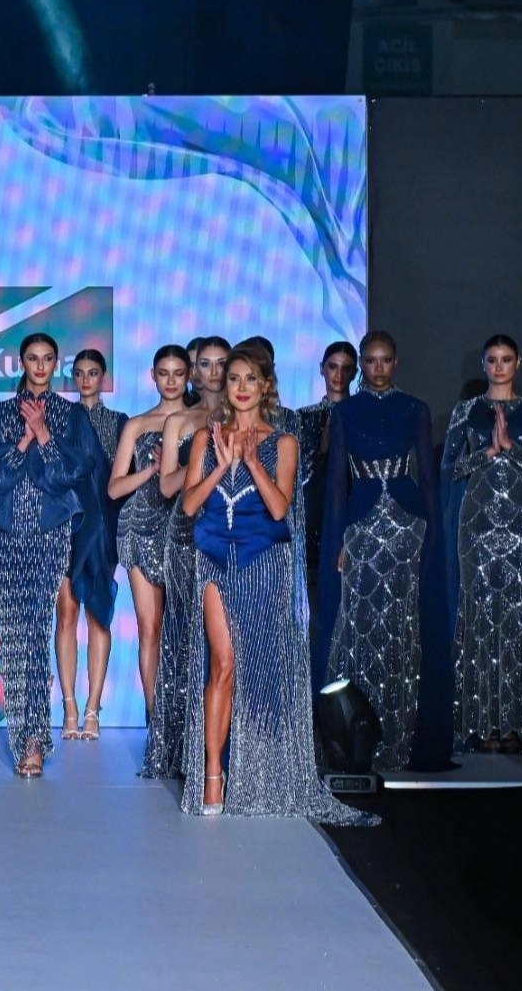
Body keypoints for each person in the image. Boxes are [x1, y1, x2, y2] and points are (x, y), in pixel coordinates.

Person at [177, 344, 374, 824]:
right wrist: (222, 464)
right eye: (234, 379)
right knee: (222, 662)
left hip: (263, 563)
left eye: (250, 379)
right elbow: (188, 506)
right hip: (213, 560)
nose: (241, 388)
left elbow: (280, 507)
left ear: (266, 385)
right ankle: (213, 774)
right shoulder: (206, 438)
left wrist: (251, 461)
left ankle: (260, 771)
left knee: (259, 670)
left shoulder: (284, 442)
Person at [315, 330, 452, 772]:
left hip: (409, 524)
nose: (378, 368)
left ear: (396, 362)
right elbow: (338, 482)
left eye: (386, 360)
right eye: (371, 360)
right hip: (360, 522)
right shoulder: (345, 412)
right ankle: (358, 733)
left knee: (404, 623)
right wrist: (338, 538)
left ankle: (403, 733)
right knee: (360, 624)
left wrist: (433, 534)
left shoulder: (415, 409)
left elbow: (427, 477)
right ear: (361, 362)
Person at [0, 333, 98, 778]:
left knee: (37, 630)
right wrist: (23, 442)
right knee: (12, 635)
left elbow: (71, 474)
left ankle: (34, 738)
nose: (40, 366)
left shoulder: (71, 415)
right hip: (4, 533)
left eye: (47, 359)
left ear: (56, 363)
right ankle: (25, 736)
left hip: (48, 534)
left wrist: (43, 434)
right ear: (21, 362)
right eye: (32, 358)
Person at [442, 334, 522, 754]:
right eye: (492, 360)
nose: (498, 367)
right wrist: (488, 453)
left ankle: (514, 724)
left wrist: (510, 447)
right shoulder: (465, 411)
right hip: (475, 527)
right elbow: (450, 468)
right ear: (483, 364)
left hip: (521, 528)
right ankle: (478, 725)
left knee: (516, 621)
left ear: (518, 363)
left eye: (506, 359)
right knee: (476, 621)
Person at [141, 336, 228, 778]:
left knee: (225, 643)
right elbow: (166, 486)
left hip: (231, 533)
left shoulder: (243, 416)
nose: (213, 372)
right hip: (185, 534)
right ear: (196, 371)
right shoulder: (180, 421)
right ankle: (179, 748)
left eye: (221, 364)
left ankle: (222, 749)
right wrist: (205, 460)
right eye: (205, 364)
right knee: (183, 636)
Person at [109, 346, 190, 730]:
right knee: (149, 627)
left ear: (189, 376)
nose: (171, 381)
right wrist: (153, 470)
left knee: (186, 627)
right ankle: (156, 725)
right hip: (140, 526)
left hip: (185, 527)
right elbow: (114, 489)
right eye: (164, 373)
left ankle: (186, 725)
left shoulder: (201, 421)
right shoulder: (137, 425)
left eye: (178, 373)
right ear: (152, 376)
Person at [55, 349, 123, 741]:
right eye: (79, 373)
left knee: (99, 614)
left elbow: (122, 481)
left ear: (103, 377)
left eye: (93, 373)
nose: (85, 379)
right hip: (67, 525)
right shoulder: (61, 419)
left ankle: (93, 708)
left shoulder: (119, 422)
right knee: (66, 613)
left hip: (104, 529)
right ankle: (69, 707)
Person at [296, 341, 357, 626]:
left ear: (355, 372)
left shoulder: (362, 415)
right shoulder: (302, 417)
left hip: (351, 515)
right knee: (315, 614)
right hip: (311, 519)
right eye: (333, 367)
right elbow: (297, 476)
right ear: (322, 369)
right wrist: (321, 450)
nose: (338, 375)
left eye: (346, 368)